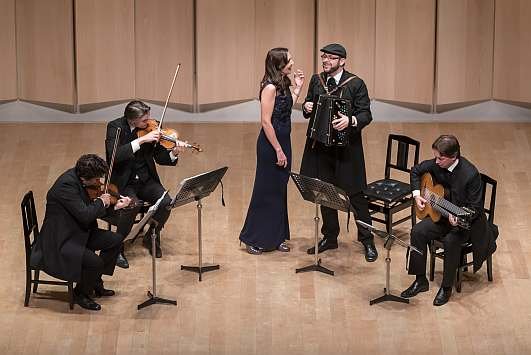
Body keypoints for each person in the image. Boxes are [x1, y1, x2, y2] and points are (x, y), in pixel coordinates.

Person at [300, 43, 377, 262]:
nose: (326, 61)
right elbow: (310, 106)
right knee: (325, 192)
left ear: (342, 61)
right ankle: (330, 236)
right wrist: (306, 106)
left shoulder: (356, 84)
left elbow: (366, 115)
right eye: (324, 57)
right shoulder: (317, 81)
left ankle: (367, 239)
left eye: (331, 58)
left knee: (356, 195)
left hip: (347, 151)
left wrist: (350, 120)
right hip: (321, 149)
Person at [30, 154, 132, 311]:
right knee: (95, 263)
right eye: (97, 179)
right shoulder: (66, 187)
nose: (99, 183)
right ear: (85, 177)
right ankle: (81, 294)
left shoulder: (81, 180)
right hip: (60, 239)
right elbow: (85, 215)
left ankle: (94, 282)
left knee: (116, 240)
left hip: (79, 230)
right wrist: (101, 201)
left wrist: (115, 206)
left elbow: (89, 211)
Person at [400, 135, 485, 306]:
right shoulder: (436, 163)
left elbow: (475, 208)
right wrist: (417, 195)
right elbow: (416, 171)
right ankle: (420, 280)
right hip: (441, 215)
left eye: (441, 158)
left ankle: (446, 287)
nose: (436, 161)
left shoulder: (471, 174)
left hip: (465, 223)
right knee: (417, 231)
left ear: (453, 157)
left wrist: (459, 217)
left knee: (450, 240)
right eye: (436, 157)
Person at [239, 47, 304, 254]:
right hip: (271, 145)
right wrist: (278, 150)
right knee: (265, 191)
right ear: (280, 64)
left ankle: (276, 236)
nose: (293, 62)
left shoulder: (283, 83)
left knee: (279, 190)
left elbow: (286, 107)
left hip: (284, 141)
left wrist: (298, 87)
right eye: (289, 59)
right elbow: (266, 122)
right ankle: (251, 237)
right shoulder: (268, 88)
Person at [105, 100, 183, 265]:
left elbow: (160, 157)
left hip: (146, 180)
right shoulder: (115, 127)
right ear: (132, 120)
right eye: (144, 120)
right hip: (124, 182)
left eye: (148, 118)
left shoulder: (151, 127)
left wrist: (173, 153)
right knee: (132, 205)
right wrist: (141, 140)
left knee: (166, 202)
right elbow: (115, 155)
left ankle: (151, 236)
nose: (149, 122)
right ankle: (116, 247)